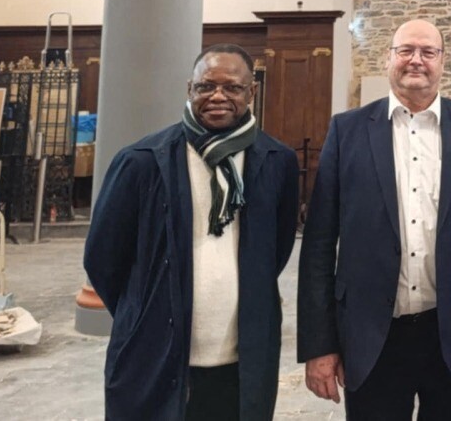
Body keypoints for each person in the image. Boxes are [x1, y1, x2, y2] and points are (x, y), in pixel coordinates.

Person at [296, 19, 451, 420]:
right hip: (371, 336)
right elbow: (317, 245)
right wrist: (319, 345)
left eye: (428, 52)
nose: (416, 60)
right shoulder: (347, 131)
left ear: (442, 62)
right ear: (389, 59)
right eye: (405, 50)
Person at [84, 44, 300, 421]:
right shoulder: (142, 161)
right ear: (190, 90)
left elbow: (275, 252)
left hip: (241, 356)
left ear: (252, 92)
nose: (218, 96)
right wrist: (143, 309)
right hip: (155, 352)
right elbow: (103, 258)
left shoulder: (276, 162)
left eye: (232, 87)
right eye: (206, 86)